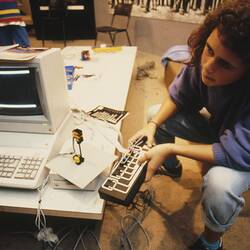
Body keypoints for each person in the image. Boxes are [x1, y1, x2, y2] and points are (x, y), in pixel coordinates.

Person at [130, 0, 250, 249]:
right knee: (157, 113)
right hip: (223, 131)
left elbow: (235, 152)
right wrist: (151, 125)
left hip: (244, 152)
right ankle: (172, 167)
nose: (208, 67)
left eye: (225, 64)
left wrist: (172, 148)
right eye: (209, 50)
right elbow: (179, 95)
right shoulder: (202, 62)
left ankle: (211, 242)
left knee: (219, 186)